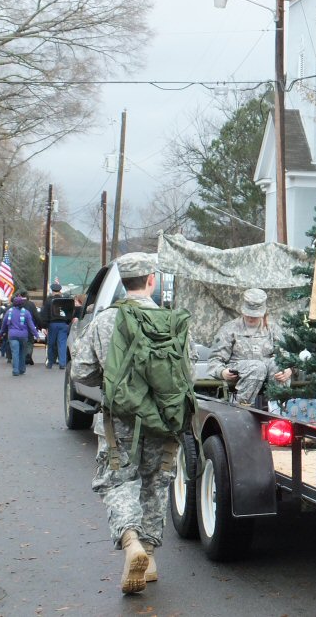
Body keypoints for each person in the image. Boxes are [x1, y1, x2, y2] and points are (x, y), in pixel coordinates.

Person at [70, 252, 191, 595]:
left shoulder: (106, 321)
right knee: (155, 483)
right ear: (152, 280)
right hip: (164, 422)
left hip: (120, 423)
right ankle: (149, 559)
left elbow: (81, 371)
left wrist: (114, 384)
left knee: (117, 483)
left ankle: (131, 542)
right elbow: (186, 370)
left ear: (124, 282)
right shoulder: (171, 321)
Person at [207, 287, 293, 406]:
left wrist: (289, 369)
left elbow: (286, 355)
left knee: (278, 365)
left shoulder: (272, 328)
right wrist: (222, 372)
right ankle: (243, 408)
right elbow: (214, 360)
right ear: (243, 311)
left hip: (267, 372)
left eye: (255, 315)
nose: (251, 318)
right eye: (248, 314)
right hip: (240, 371)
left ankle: (279, 409)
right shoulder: (229, 329)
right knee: (256, 367)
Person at [0, 294, 39, 376]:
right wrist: (36, 335)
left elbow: (4, 324)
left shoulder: (9, 312)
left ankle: (15, 370)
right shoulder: (26, 313)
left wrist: (1, 333)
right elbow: (31, 325)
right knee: (22, 352)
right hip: (23, 335)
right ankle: (22, 369)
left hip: (12, 335)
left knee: (15, 353)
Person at [42, 282, 72, 369]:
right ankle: (62, 363)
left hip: (52, 324)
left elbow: (45, 313)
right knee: (62, 343)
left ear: (52, 290)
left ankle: (50, 362)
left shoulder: (49, 301)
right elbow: (69, 312)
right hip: (63, 324)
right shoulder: (65, 300)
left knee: (51, 344)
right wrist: (68, 321)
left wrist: (44, 325)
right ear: (60, 290)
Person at [14, 289, 42, 366]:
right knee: (29, 342)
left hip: (17, 327)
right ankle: (28, 355)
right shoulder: (31, 304)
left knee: (20, 343)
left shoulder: (17, 303)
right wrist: (40, 326)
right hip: (29, 327)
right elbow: (36, 316)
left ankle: (21, 357)